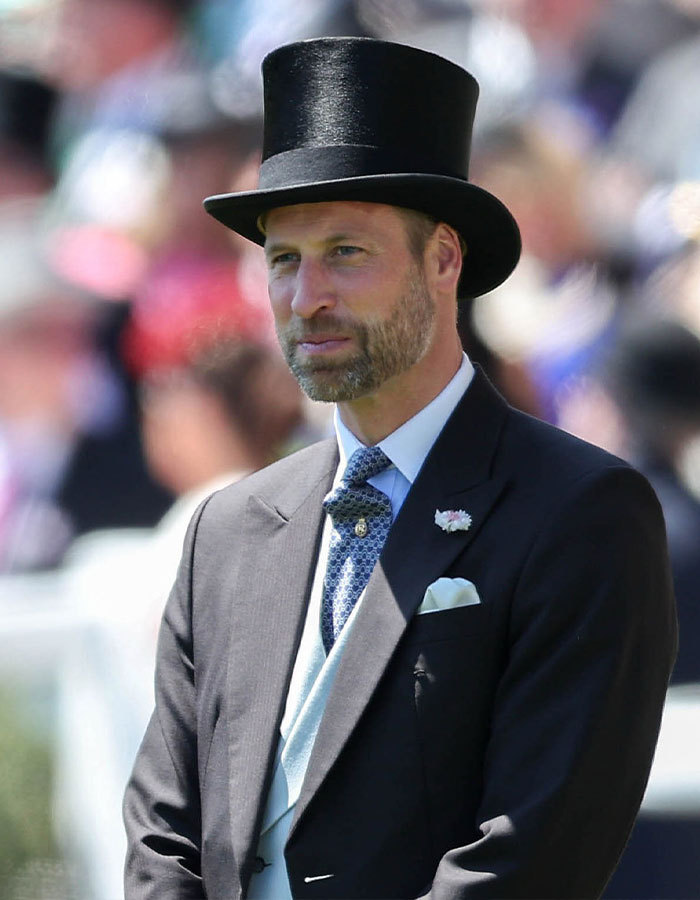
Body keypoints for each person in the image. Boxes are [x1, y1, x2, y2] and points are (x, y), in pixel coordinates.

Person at [123, 37, 676, 900]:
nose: (308, 298)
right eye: (283, 260)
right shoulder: (227, 532)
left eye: (346, 251)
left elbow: (529, 862)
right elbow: (163, 837)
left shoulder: (581, 512)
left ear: (446, 259)